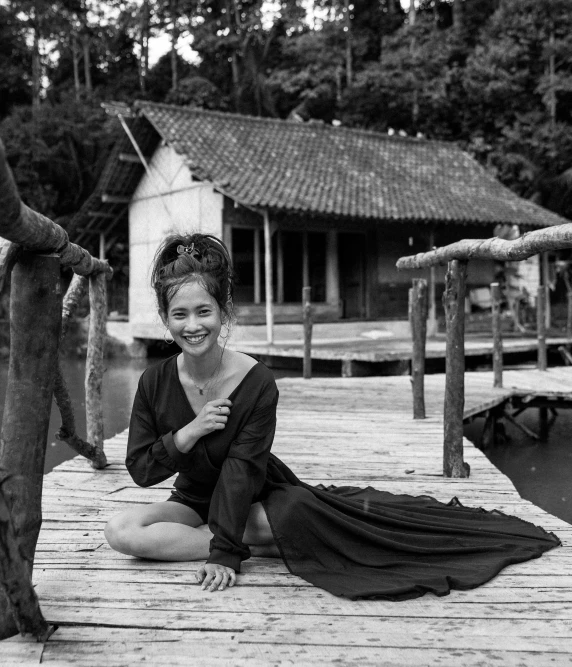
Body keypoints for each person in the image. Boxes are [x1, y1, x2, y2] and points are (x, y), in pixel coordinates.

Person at [105, 233, 560, 600]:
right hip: (192, 499)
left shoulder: (257, 381)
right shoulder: (153, 382)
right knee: (120, 531)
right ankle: (270, 543)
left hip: (259, 500)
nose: (193, 325)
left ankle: (263, 536)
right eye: (179, 314)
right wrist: (188, 433)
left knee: (260, 520)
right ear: (165, 319)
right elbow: (142, 470)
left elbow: (241, 471)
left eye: (204, 311)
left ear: (223, 312)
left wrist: (224, 552)